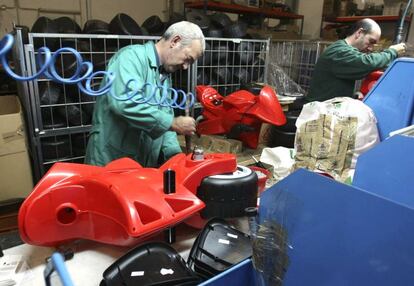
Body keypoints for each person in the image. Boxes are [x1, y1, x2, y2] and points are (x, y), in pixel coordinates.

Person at [85, 21, 205, 167]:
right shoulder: (130, 58)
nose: (186, 67)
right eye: (188, 59)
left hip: (140, 165)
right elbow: (124, 103)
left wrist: (176, 157)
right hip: (111, 160)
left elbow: (165, 117)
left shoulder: (164, 75)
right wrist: (172, 123)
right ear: (175, 41)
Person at [306, 18, 406, 102]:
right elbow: (367, 62)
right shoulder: (339, 51)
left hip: (330, 108)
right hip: (320, 113)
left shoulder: (343, 49)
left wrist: (353, 96)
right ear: (359, 33)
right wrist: (392, 52)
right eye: (371, 42)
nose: (371, 48)